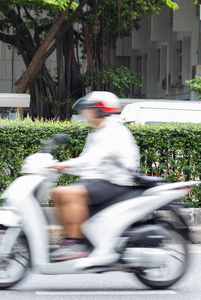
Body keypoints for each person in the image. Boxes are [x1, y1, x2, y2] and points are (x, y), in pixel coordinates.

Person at [50, 91, 140, 261]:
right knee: (58, 192)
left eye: (90, 108)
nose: (86, 113)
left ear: (101, 110)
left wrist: (64, 165)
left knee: (68, 193)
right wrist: (60, 168)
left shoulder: (113, 131)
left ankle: (75, 243)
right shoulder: (96, 133)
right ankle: (70, 240)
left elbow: (94, 158)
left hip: (114, 182)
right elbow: (86, 163)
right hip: (98, 180)